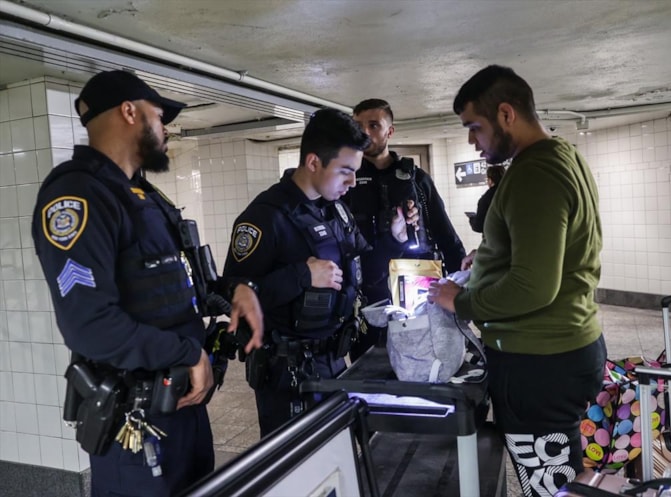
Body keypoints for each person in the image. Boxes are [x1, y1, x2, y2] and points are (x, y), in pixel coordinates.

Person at [32, 70, 264, 497]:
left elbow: (181, 283)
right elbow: (91, 327)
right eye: (160, 116)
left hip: (183, 407)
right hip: (136, 424)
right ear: (129, 112)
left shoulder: (146, 197)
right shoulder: (78, 196)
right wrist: (186, 352)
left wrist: (236, 290)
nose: (166, 128)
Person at [427, 65, 606, 496]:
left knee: (549, 488)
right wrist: (489, 257)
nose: (473, 141)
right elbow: (550, 248)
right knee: (563, 476)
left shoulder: (533, 174)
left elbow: (533, 286)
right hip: (563, 350)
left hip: (539, 361)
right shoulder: (562, 155)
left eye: (475, 127)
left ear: (506, 114)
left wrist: (460, 301)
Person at [223, 108, 410, 437]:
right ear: (313, 162)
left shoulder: (335, 211)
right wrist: (300, 276)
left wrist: (394, 240)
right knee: (297, 464)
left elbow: (361, 268)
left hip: (334, 363)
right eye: (345, 172)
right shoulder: (267, 216)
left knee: (336, 456)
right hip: (288, 375)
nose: (352, 182)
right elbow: (232, 296)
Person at [345, 98, 466, 360]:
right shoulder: (346, 182)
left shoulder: (417, 180)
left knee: (422, 363)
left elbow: (446, 235)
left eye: (373, 125)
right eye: (358, 126)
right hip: (370, 297)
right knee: (368, 368)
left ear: (390, 131)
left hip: (417, 292)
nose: (364, 132)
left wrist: (461, 288)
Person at [468, 164, 505, 233]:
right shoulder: (512, 193)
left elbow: (479, 226)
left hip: (494, 237)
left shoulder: (485, 199)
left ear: (490, 180)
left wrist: (472, 219)